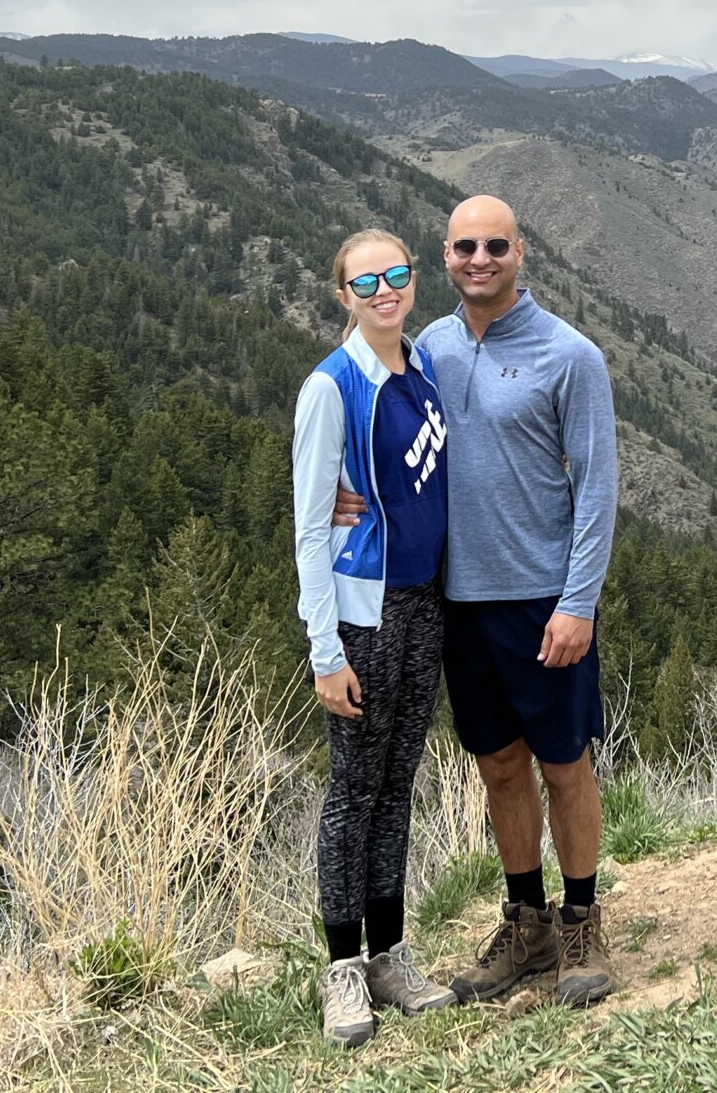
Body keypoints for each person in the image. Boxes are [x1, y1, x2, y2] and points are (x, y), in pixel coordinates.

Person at [340, 194, 621, 1006]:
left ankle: (579, 921)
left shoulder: (571, 356)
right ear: (447, 255)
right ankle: (525, 919)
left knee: (565, 767)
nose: (479, 259)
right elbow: (383, 440)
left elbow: (598, 490)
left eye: (494, 245)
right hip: (455, 602)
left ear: (520, 252)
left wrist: (579, 601)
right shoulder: (427, 348)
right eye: (464, 246)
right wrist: (338, 495)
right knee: (498, 765)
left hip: (541, 600)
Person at [293, 230, 459, 1048]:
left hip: (425, 604)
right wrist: (326, 652)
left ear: (412, 279)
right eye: (367, 281)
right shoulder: (332, 386)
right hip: (366, 614)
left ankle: (390, 954)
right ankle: (342, 970)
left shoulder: (420, 365)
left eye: (396, 275)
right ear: (343, 295)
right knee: (353, 789)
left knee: (398, 783)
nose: (384, 290)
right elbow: (309, 529)